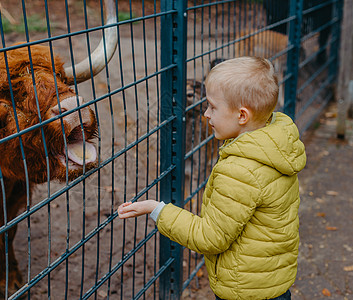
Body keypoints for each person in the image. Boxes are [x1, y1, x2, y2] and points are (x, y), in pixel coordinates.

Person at [118, 57, 307, 300]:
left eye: (212, 107)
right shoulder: (274, 145)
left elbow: (211, 238)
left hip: (246, 290)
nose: (206, 113)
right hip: (272, 280)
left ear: (242, 116)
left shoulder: (242, 169)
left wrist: (156, 209)